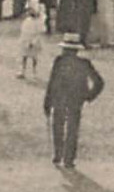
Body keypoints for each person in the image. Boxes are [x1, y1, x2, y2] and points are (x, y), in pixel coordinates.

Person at [43, 35, 105, 169]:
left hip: (60, 98)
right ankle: (68, 159)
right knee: (72, 128)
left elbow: (52, 83)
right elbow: (99, 82)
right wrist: (88, 96)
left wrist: (47, 102)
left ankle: (58, 155)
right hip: (75, 99)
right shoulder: (83, 63)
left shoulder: (59, 61)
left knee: (58, 126)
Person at [16, 0, 45, 80]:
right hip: (26, 39)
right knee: (23, 56)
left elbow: (39, 32)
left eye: (31, 10)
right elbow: (24, 30)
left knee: (34, 57)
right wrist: (23, 40)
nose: (29, 12)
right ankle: (22, 71)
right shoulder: (27, 20)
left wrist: (34, 41)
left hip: (34, 41)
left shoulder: (39, 22)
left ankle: (34, 72)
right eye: (28, 11)